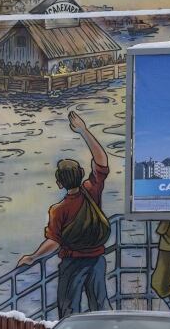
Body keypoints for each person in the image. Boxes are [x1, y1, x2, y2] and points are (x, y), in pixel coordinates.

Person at [17, 111, 112, 318]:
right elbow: (102, 160)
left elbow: (54, 242)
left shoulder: (58, 210)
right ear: (80, 175)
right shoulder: (92, 190)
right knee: (101, 306)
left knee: (69, 310)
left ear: (60, 183)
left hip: (72, 264)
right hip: (97, 259)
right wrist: (84, 131)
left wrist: (33, 257)